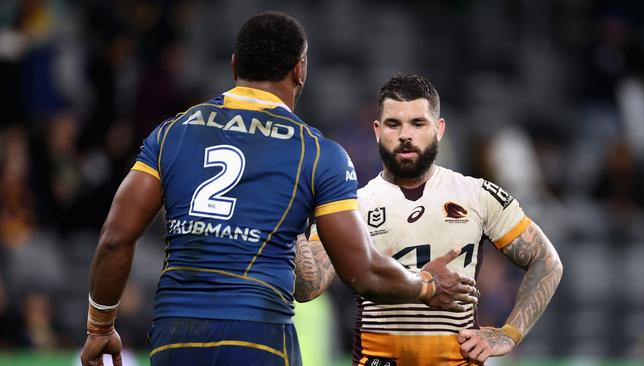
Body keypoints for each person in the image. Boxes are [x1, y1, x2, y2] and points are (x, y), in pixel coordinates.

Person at [80, 13, 479, 366]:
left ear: (235, 64)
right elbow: (360, 271)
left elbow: (115, 239)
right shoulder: (318, 153)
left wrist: (100, 328)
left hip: (175, 335)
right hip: (258, 336)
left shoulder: (171, 133)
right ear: (300, 70)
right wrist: (426, 285)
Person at [295, 73, 564, 365]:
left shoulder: (477, 194)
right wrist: (291, 213)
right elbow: (308, 287)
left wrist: (509, 333)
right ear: (377, 130)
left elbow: (547, 262)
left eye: (418, 123)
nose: (405, 135)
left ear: (439, 129)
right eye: (393, 124)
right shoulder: (350, 206)